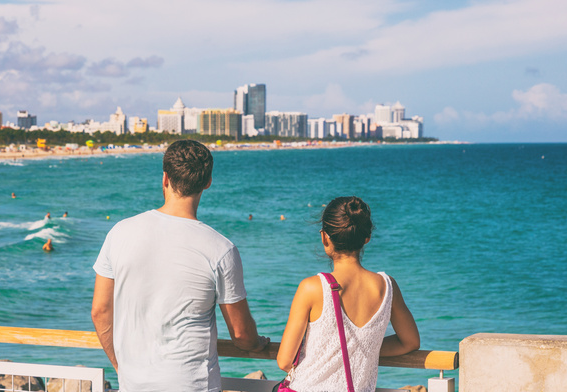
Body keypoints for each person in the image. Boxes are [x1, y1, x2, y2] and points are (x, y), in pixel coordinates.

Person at [91, 140, 268, 392]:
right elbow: (241, 335)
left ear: (165, 178)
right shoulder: (220, 249)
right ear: (207, 182)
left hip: (133, 384)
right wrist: (257, 342)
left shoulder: (120, 232)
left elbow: (99, 311)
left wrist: (120, 367)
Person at [276, 197, 420, 392]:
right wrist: (366, 348)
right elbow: (410, 342)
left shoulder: (312, 287)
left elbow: (284, 361)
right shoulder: (387, 286)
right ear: (366, 238)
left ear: (325, 237)